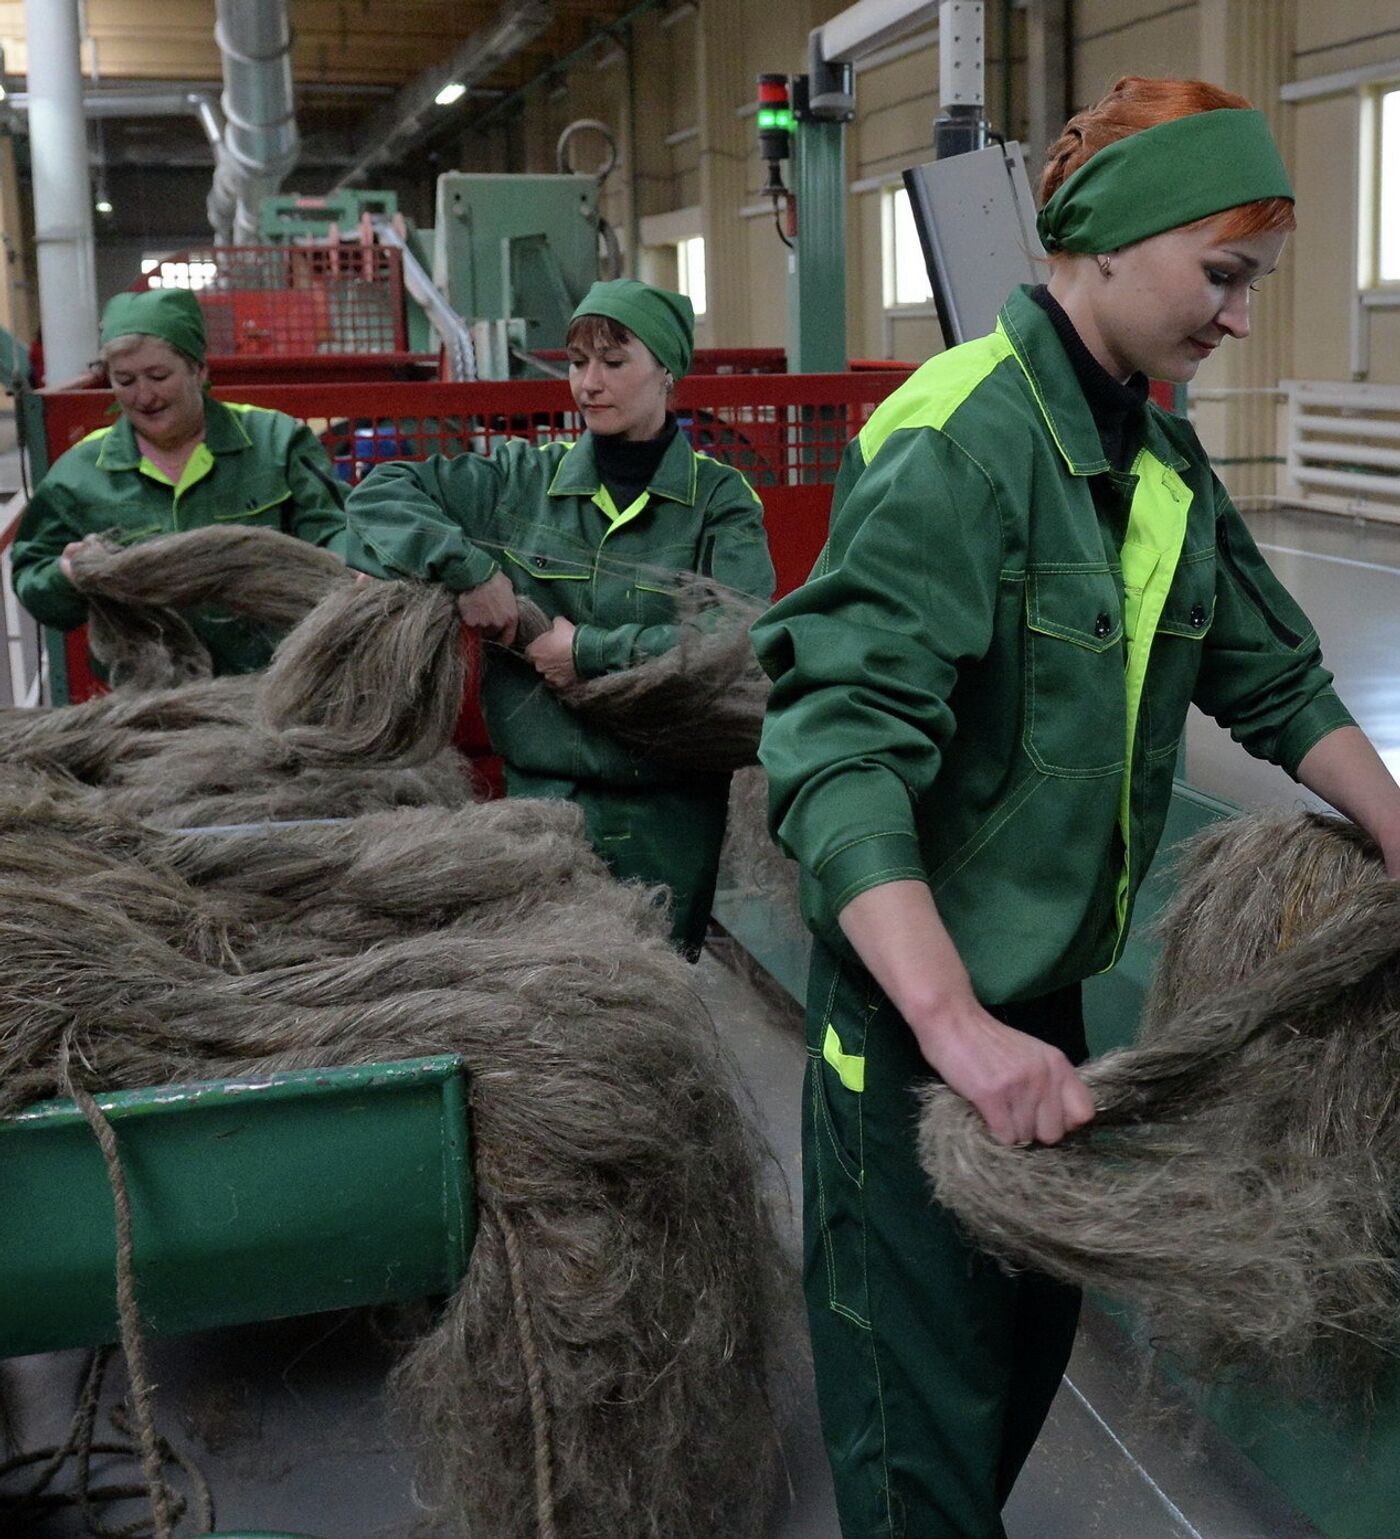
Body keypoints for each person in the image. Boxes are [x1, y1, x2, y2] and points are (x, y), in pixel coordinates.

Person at [752, 76, 1400, 1539]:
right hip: (914, 1031)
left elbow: (1275, 672)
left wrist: (1398, 825)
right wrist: (953, 1024)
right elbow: (839, 748)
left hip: (1038, 1020)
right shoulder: (959, 438)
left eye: (1256, 284)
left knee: (1009, 1374)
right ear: (1106, 238)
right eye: (1221, 275)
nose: (1238, 318)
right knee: (918, 1436)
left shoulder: (1154, 453)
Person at [343, 278, 774, 957]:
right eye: (577, 363)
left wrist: (590, 650)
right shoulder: (519, 481)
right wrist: (471, 570)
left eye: (613, 361)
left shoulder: (718, 500)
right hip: (538, 805)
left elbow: (736, 639)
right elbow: (382, 493)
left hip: (666, 812)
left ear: (667, 371)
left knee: (649, 1001)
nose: (588, 384)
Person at [13, 287, 348, 678]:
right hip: (154, 697)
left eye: (159, 376)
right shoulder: (80, 473)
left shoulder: (276, 441)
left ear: (199, 370)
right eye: (124, 380)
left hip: (278, 679)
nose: (144, 395)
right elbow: (34, 580)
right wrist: (65, 575)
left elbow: (334, 530)